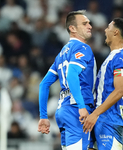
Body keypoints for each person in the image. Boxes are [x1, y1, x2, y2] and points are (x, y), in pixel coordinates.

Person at [37, 10, 96, 150]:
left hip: (63, 110)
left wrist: (43, 116)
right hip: (77, 111)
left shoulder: (61, 54)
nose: (90, 26)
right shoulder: (83, 48)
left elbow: (44, 84)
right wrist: (81, 106)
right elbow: (71, 75)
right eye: (85, 23)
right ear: (72, 28)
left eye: (89, 23)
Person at [83, 18, 123, 150]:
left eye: (108, 28)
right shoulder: (115, 57)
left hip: (109, 119)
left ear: (116, 32)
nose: (105, 31)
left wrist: (96, 113)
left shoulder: (121, 57)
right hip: (102, 116)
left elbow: (119, 91)